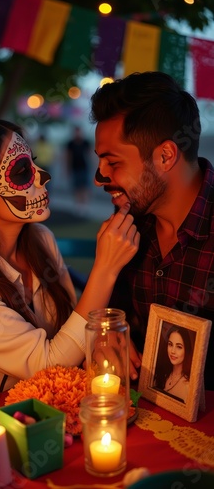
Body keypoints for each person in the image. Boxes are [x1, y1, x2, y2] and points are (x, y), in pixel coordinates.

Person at [0, 116, 141, 395]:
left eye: (33, 162)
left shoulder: (41, 239)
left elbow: (72, 325)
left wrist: (100, 335)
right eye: (21, 172)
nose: (43, 176)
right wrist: (105, 269)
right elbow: (47, 365)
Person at [90, 71, 214, 390]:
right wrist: (110, 332)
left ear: (165, 156)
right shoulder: (129, 221)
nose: (99, 178)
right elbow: (113, 311)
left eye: (113, 163)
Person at [154, 325, 193, 403]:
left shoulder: (188, 386)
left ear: (187, 350)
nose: (173, 351)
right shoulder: (161, 374)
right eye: (170, 344)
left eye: (179, 347)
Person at [65, 126, 91, 206]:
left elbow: (90, 155)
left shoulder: (86, 143)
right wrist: (67, 169)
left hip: (84, 167)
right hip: (75, 167)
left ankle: (84, 203)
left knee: (85, 187)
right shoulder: (71, 144)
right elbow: (68, 157)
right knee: (77, 187)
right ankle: (78, 204)